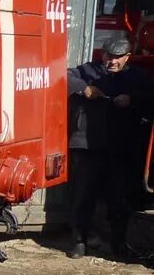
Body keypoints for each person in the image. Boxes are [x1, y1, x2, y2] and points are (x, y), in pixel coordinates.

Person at [66, 37, 154, 259]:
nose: (112, 61)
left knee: (120, 198)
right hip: (89, 144)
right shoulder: (87, 70)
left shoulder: (137, 77)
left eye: (118, 57)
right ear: (103, 55)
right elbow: (63, 76)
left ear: (127, 57)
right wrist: (84, 89)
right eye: (109, 56)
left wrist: (131, 100)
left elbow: (150, 98)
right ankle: (79, 242)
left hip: (122, 147)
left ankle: (118, 245)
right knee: (83, 195)